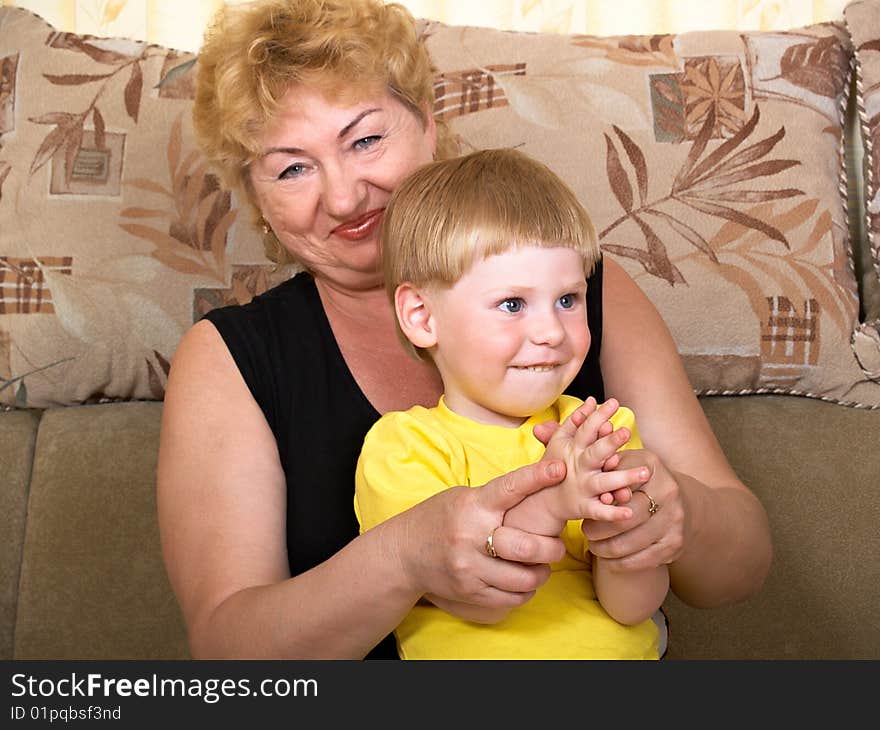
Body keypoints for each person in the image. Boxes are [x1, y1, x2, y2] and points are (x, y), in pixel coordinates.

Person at [156, 0, 772, 660]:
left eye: (366, 140)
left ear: (428, 127)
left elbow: (740, 566)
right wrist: (401, 560)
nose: (343, 197)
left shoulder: (582, 291)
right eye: (292, 168)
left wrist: (671, 514)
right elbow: (228, 654)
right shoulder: (232, 357)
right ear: (257, 199)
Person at [354, 148, 670, 659]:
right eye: (513, 304)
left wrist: (626, 533)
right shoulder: (406, 447)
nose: (550, 331)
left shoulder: (599, 430)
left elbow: (633, 607)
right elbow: (478, 601)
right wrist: (554, 503)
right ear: (422, 316)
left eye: (568, 300)